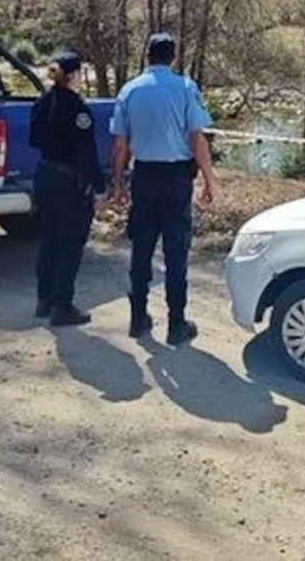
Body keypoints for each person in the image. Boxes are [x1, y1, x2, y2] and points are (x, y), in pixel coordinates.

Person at [109, 32, 216, 346]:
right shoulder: (184, 88)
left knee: (141, 250)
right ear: (173, 58)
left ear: (147, 57)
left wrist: (118, 182)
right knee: (176, 252)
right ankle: (176, 323)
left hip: (143, 175)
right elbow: (197, 139)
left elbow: (119, 145)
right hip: (175, 179)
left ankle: (138, 317)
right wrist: (209, 180)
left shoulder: (129, 90)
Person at [30, 50, 104, 327]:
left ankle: (44, 299)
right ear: (74, 75)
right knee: (70, 244)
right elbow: (86, 152)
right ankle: (63, 305)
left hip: (45, 174)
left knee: (49, 239)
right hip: (69, 182)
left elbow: (34, 139)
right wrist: (98, 185)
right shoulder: (76, 109)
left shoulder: (43, 103)